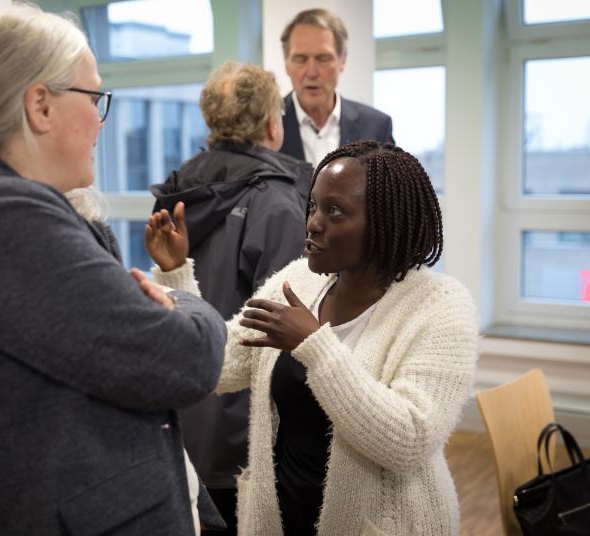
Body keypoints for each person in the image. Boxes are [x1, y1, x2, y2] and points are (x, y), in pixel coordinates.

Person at [0, 5, 227, 535]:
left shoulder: (5, 207)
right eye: (94, 98)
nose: (100, 119)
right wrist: (188, 306)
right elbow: (184, 359)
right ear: (39, 105)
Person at [143, 140, 479, 535]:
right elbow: (215, 365)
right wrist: (177, 276)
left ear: (385, 224)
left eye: (335, 211)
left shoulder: (440, 306)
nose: (314, 223)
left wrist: (315, 347)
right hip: (281, 517)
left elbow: (408, 440)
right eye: (313, 206)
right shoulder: (297, 280)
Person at [149, 60, 312, 534]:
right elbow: (279, 329)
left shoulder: (177, 195)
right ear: (271, 125)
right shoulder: (278, 205)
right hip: (245, 433)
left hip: (185, 410)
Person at [280, 8, 394, 165]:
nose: (311, 72)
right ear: (286, 63)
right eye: (300, 59)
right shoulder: (264, 128)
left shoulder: (376, 127)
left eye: (323, 58)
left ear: (343, 60)